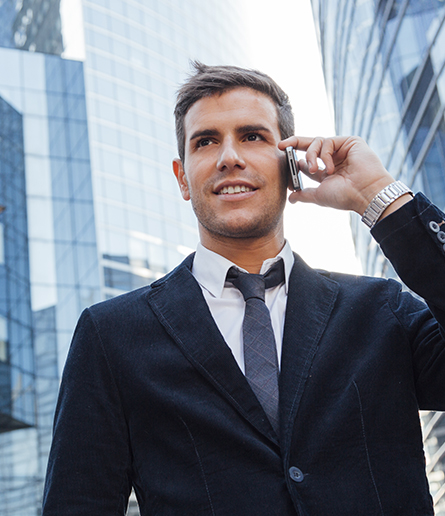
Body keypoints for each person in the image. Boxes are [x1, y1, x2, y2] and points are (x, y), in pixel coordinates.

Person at [42, 62, 445, 515]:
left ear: (292, 165)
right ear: (182, 177)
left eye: (252, 136)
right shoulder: (112, 334)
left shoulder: (380, 310)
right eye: (206, 141)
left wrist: (378, 193)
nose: (228, 156)